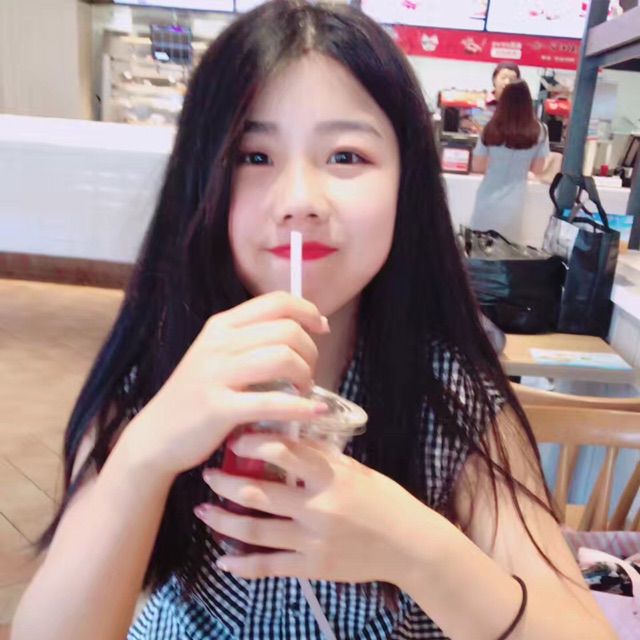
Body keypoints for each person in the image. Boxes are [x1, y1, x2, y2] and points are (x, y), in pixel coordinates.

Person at [12, 3, 613, 640]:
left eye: (347, 155)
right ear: (200, 179)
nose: (300, 200)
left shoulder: (450, 400)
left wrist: (420, 553)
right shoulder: (156, 374)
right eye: (253, 155)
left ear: (407, 186)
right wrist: (145, 454)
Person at [470, 79, 550, 242]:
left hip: (486, 199)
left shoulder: (489, 128)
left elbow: (477, 166)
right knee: (507, 251)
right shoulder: (541, 131)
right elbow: (538, 169)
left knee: (479, 249)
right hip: (515, 203)